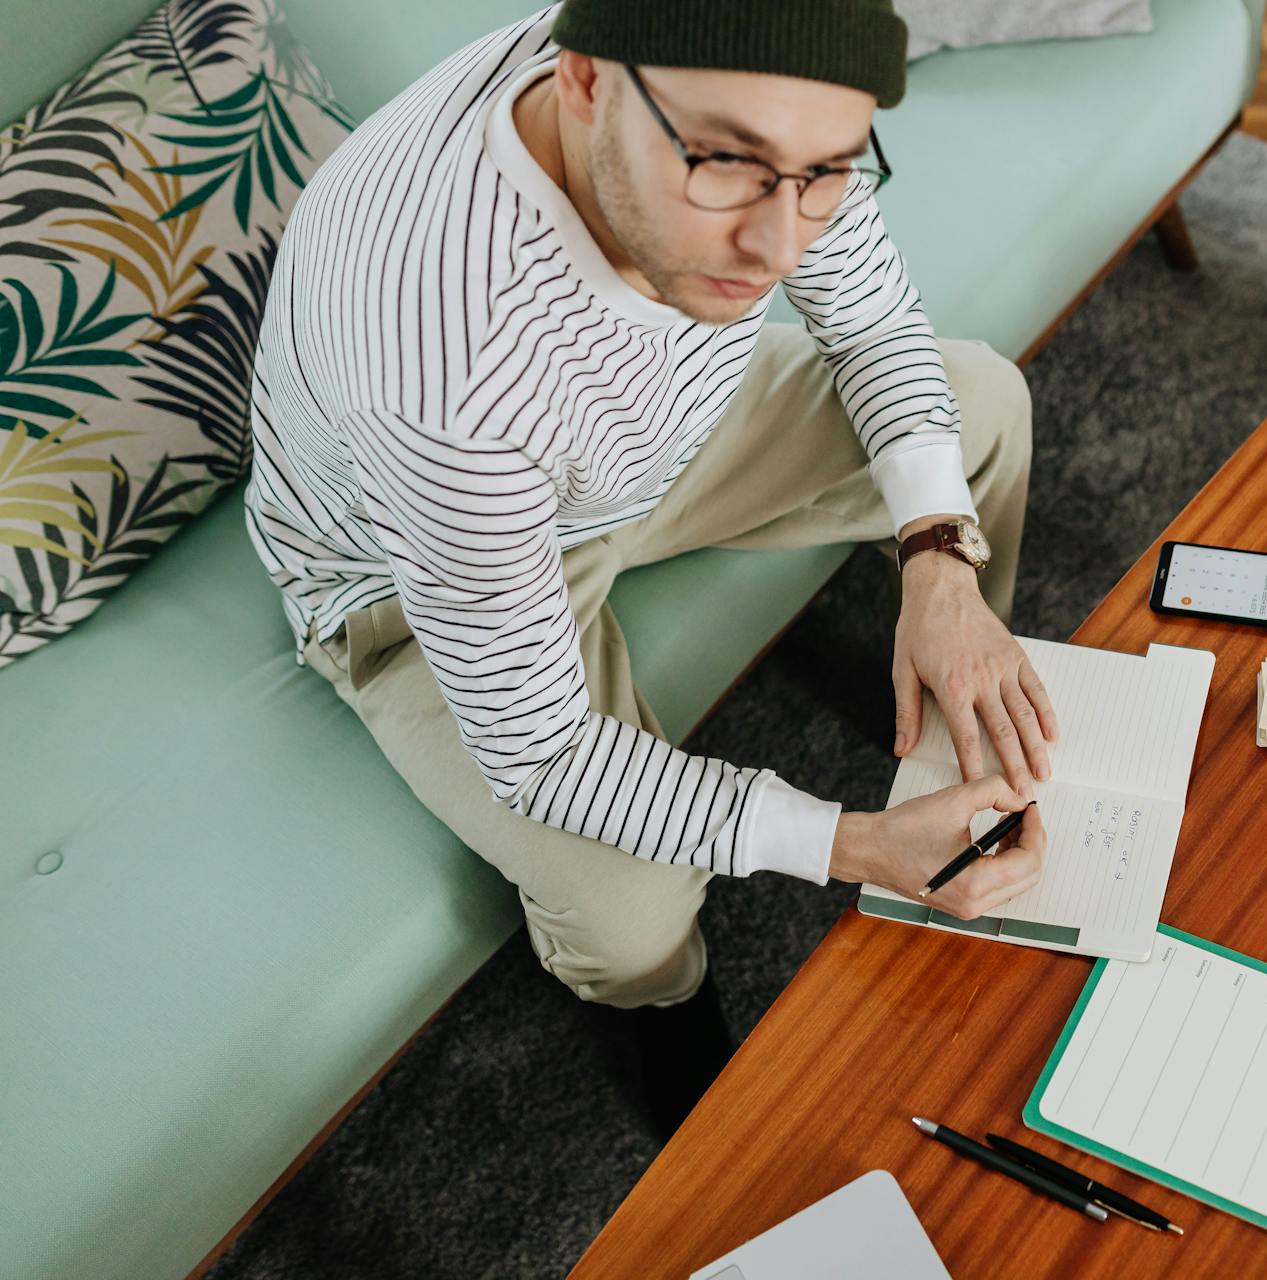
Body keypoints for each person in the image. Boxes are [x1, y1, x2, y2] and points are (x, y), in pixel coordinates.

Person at [242, 0, 1054, 1128]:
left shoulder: (756, 92)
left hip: (650, 445)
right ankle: (667, 1026)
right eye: (727, 165)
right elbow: (541, 751)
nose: (780, 248)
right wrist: (852, 844)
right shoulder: (438, 370)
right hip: (414, 578)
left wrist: (939, 569)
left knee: (983, 409)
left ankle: (956, 684)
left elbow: (871, 325)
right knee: (632, 911)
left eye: (825, 172)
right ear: (579, 80)